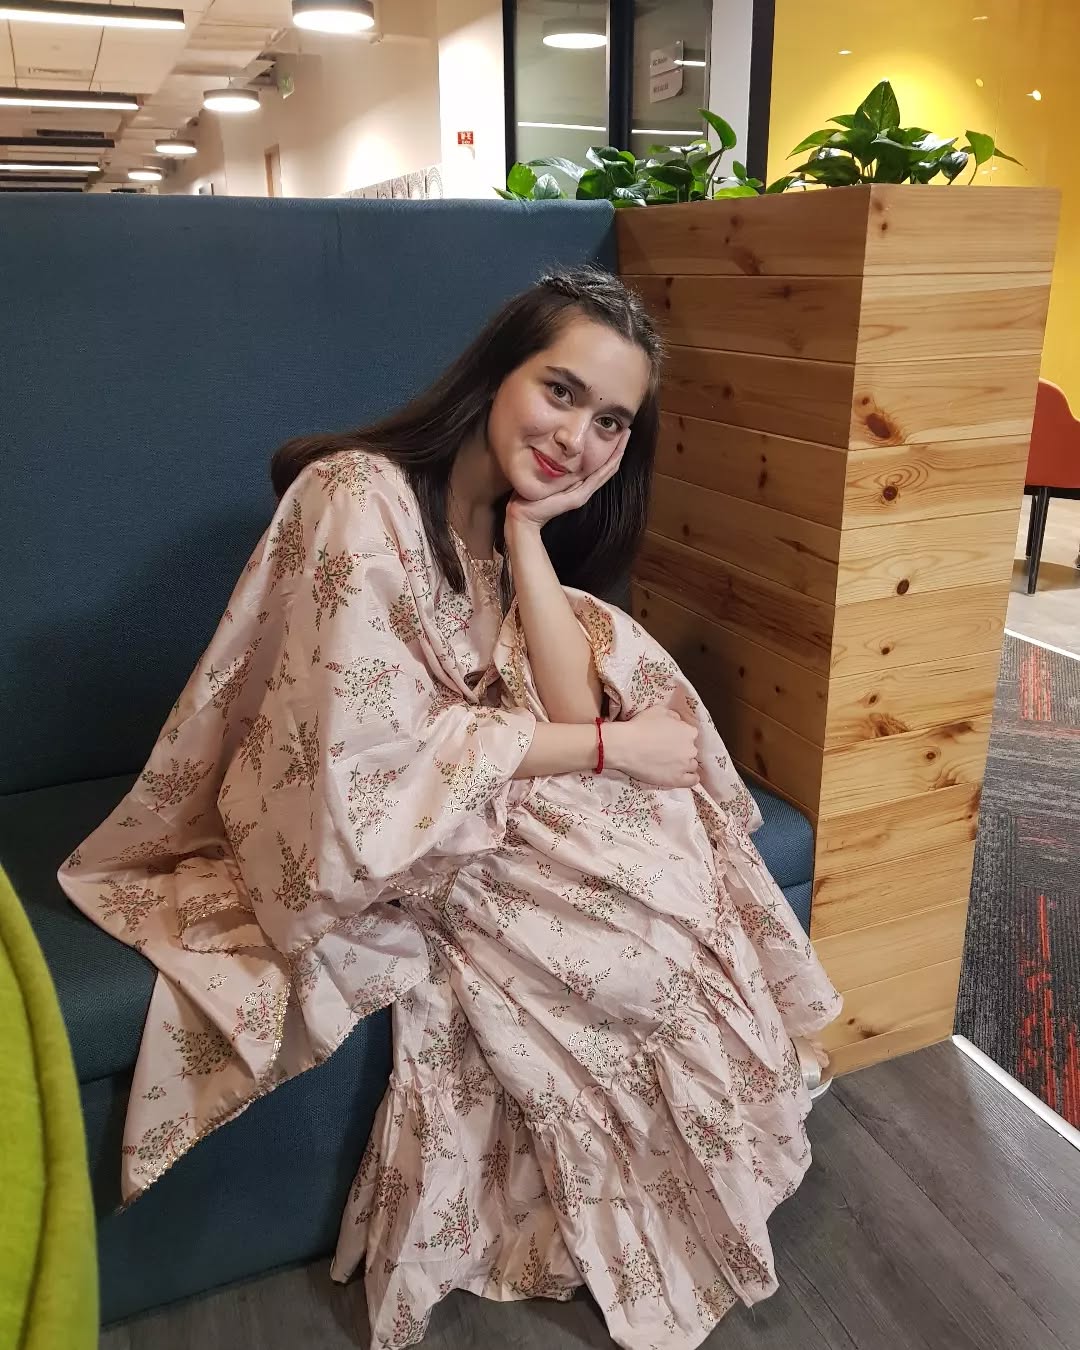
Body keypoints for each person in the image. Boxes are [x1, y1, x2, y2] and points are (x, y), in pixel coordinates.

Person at [58, 268, 840, 1350]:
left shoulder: (499, 527)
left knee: (679, 866)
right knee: (638, 937)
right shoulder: (356, 494)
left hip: (459, 808)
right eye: (560, 391)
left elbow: (562, 702)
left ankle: (691, 1163)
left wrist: (531, 536)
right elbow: (356, 762)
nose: (576, 437)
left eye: (611, 421)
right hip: (350, 826)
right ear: (495, 373)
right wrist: (611, 747)